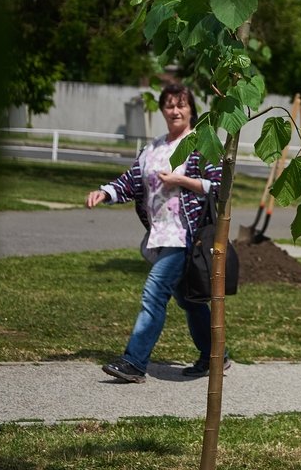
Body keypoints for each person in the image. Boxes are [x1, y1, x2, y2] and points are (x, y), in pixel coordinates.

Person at [84, 83, 225, 383]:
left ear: (191, 110)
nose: (175, 110)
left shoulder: (201, 144)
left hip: (186, 235)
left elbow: (219, 186)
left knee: (154, 293)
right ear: (162, 110)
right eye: (169, 105)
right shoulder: (155, 147)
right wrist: (105, 193)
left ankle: (134, 362)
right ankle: (216, 355)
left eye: (181, 105)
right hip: (159, 235)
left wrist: (182, 180)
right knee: (190, 300)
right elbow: (131, 180)